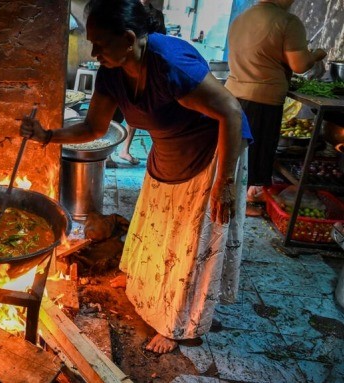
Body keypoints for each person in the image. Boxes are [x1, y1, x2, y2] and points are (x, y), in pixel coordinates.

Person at [21, 0, 253, 353]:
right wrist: (48, 136)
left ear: (129, 38)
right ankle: (144, 286)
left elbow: (232, 112)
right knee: (156, 226)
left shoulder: (171, 64)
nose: (94, 51)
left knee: (189, 243)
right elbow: (93, 126)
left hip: (213, 155)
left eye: (100, 43)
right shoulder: (113, 72)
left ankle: (178, 325)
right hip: (169, 149)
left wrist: (225, 184)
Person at [225, 0, 327, 216]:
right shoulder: (287, 21)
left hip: (233, 93)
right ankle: (242, 203)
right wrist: (317, 54)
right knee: (256, 150)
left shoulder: (241, 17)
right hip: (262, 97)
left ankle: (242, 196)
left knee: (239, 149)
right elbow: (299, 65)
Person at [114, 0, 166, 166]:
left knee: (137, 111)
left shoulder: (156, 16)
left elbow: (159, 40)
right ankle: (106, 154)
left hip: (144, 69)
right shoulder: (125, 10)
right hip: (123, 67)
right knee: (114, 113)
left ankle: (125, 150)